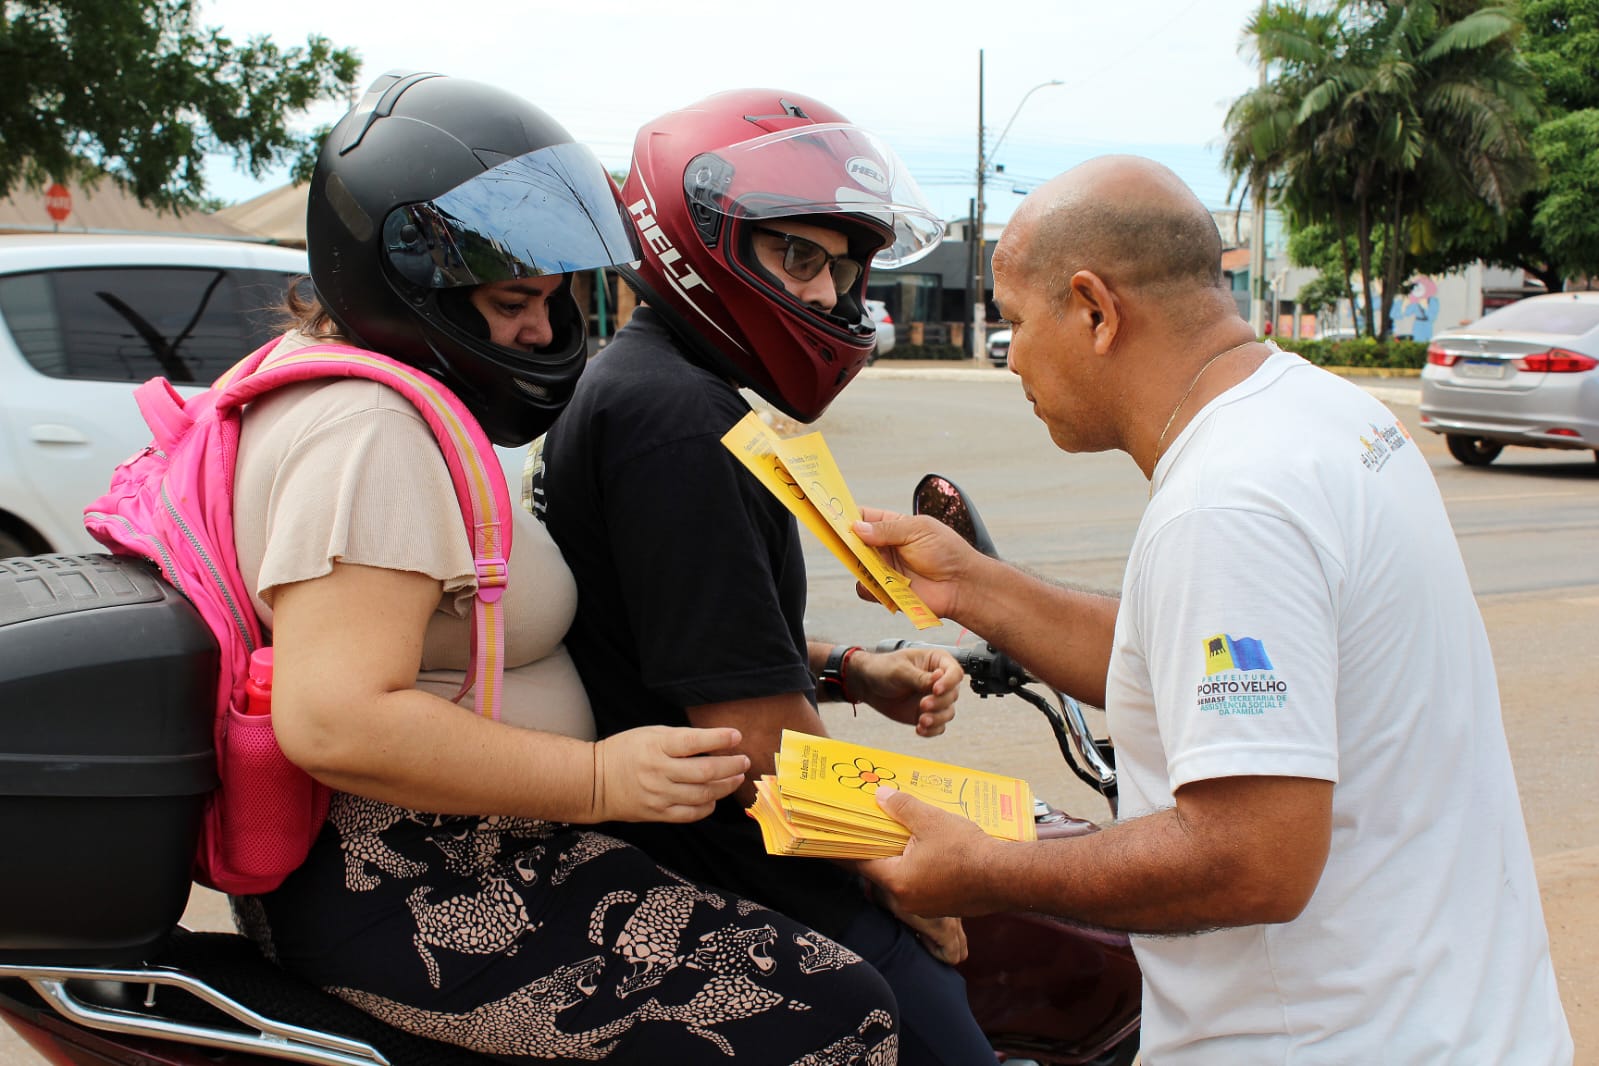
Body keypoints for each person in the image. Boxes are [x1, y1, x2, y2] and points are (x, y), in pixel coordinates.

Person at [228, 70, 902, 1065]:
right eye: (512, 302)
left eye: (548, 299)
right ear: (408, 276)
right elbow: (336, 715)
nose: (542, 333)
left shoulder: (361, 398)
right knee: (842, 1011)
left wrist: (840, 669)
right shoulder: (367, 430)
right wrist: (593, 778)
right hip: (417, 880)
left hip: (470, 846)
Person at [851, 155, 1575, 1063]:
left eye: (1017, 324)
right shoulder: (1325, 417)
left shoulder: (1227, 502)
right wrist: (970, 586)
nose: (1013, 360)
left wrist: (983, 869)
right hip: (1455, 1019)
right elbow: (1191, 661)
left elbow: (1251, 857)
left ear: (1093, 309)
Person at [535, 89, 996, 1065]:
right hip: (732, 860)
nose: (829, 297)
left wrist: (848, 667)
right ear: (703, 242)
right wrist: (898, 865)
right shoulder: (676, 422)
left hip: (706, 836)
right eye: (800, 257)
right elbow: (749, 735)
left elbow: (687, 633)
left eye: (842, 268)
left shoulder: (662, 384)